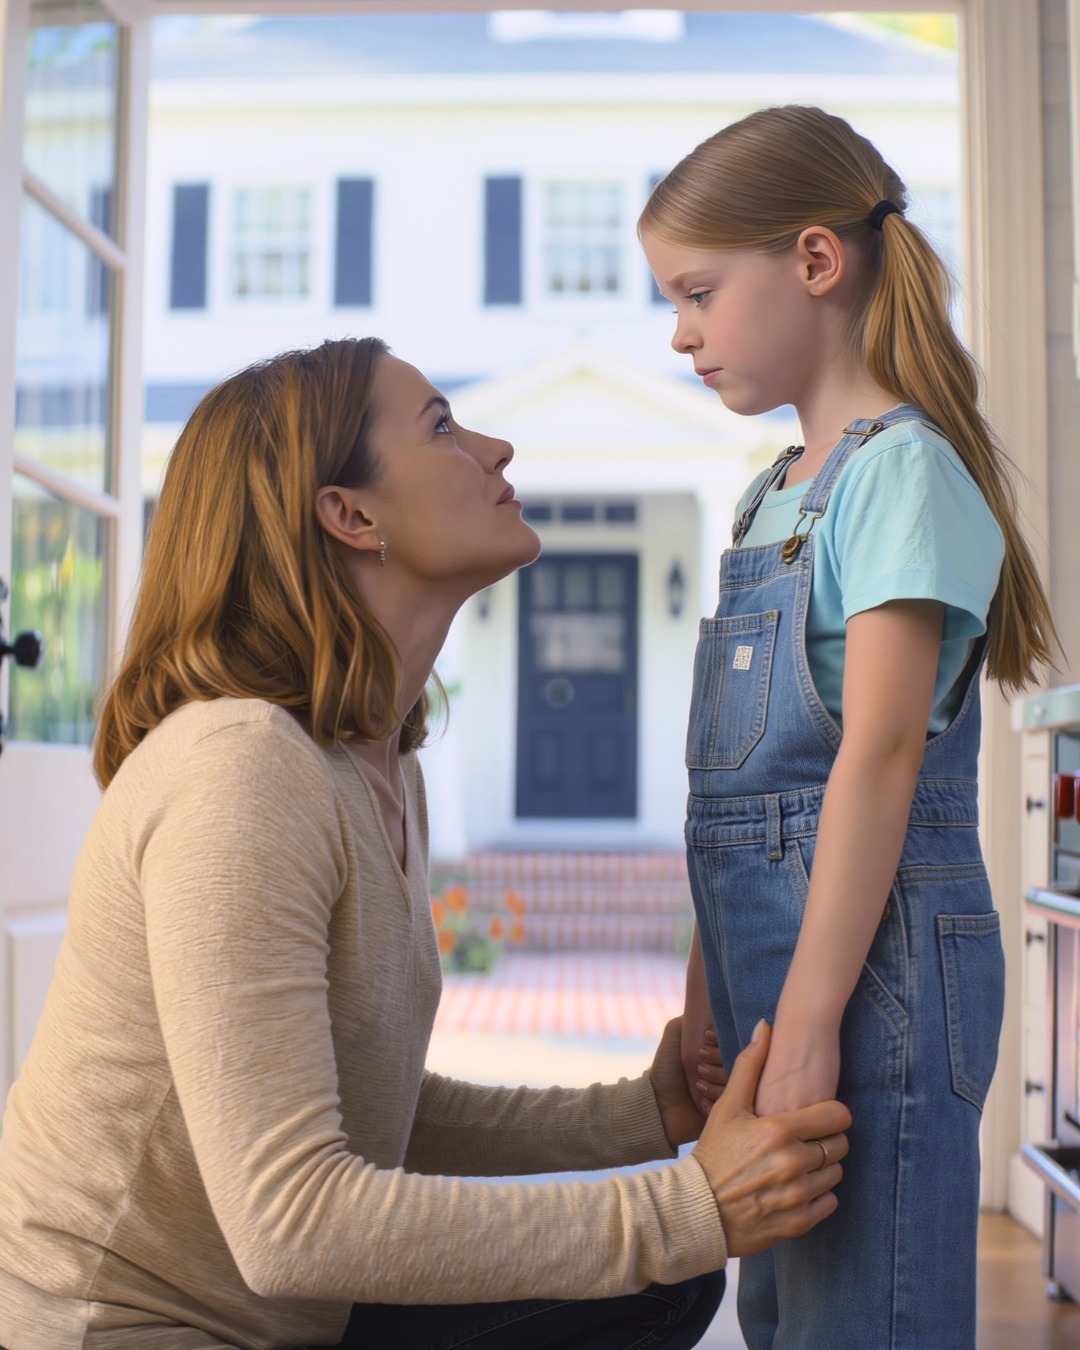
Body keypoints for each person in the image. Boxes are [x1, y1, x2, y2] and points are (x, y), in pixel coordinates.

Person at [0, 337, 851, 1350]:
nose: (496, 449)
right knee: (666, 1252)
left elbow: (380, 1111)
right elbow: (294, 1222)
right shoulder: (240, 774)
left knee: (662, 1282)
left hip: (280, 1317)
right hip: (122, 1331)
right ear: (350, 516)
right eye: (442, 428)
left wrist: (641, 1113)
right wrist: (688, 1205)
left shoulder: (379, 761)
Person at [640, 105, 1059, 1350]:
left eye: (700, 292)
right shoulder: (772, 493)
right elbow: (733, 801)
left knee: (864, 1319)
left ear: (816, 262)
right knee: (782, 1312)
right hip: (780, 981)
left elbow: (874, 759)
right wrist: (707, 996)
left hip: (871, 987)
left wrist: (814, 1019)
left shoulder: (901, 473)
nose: (681, 334)